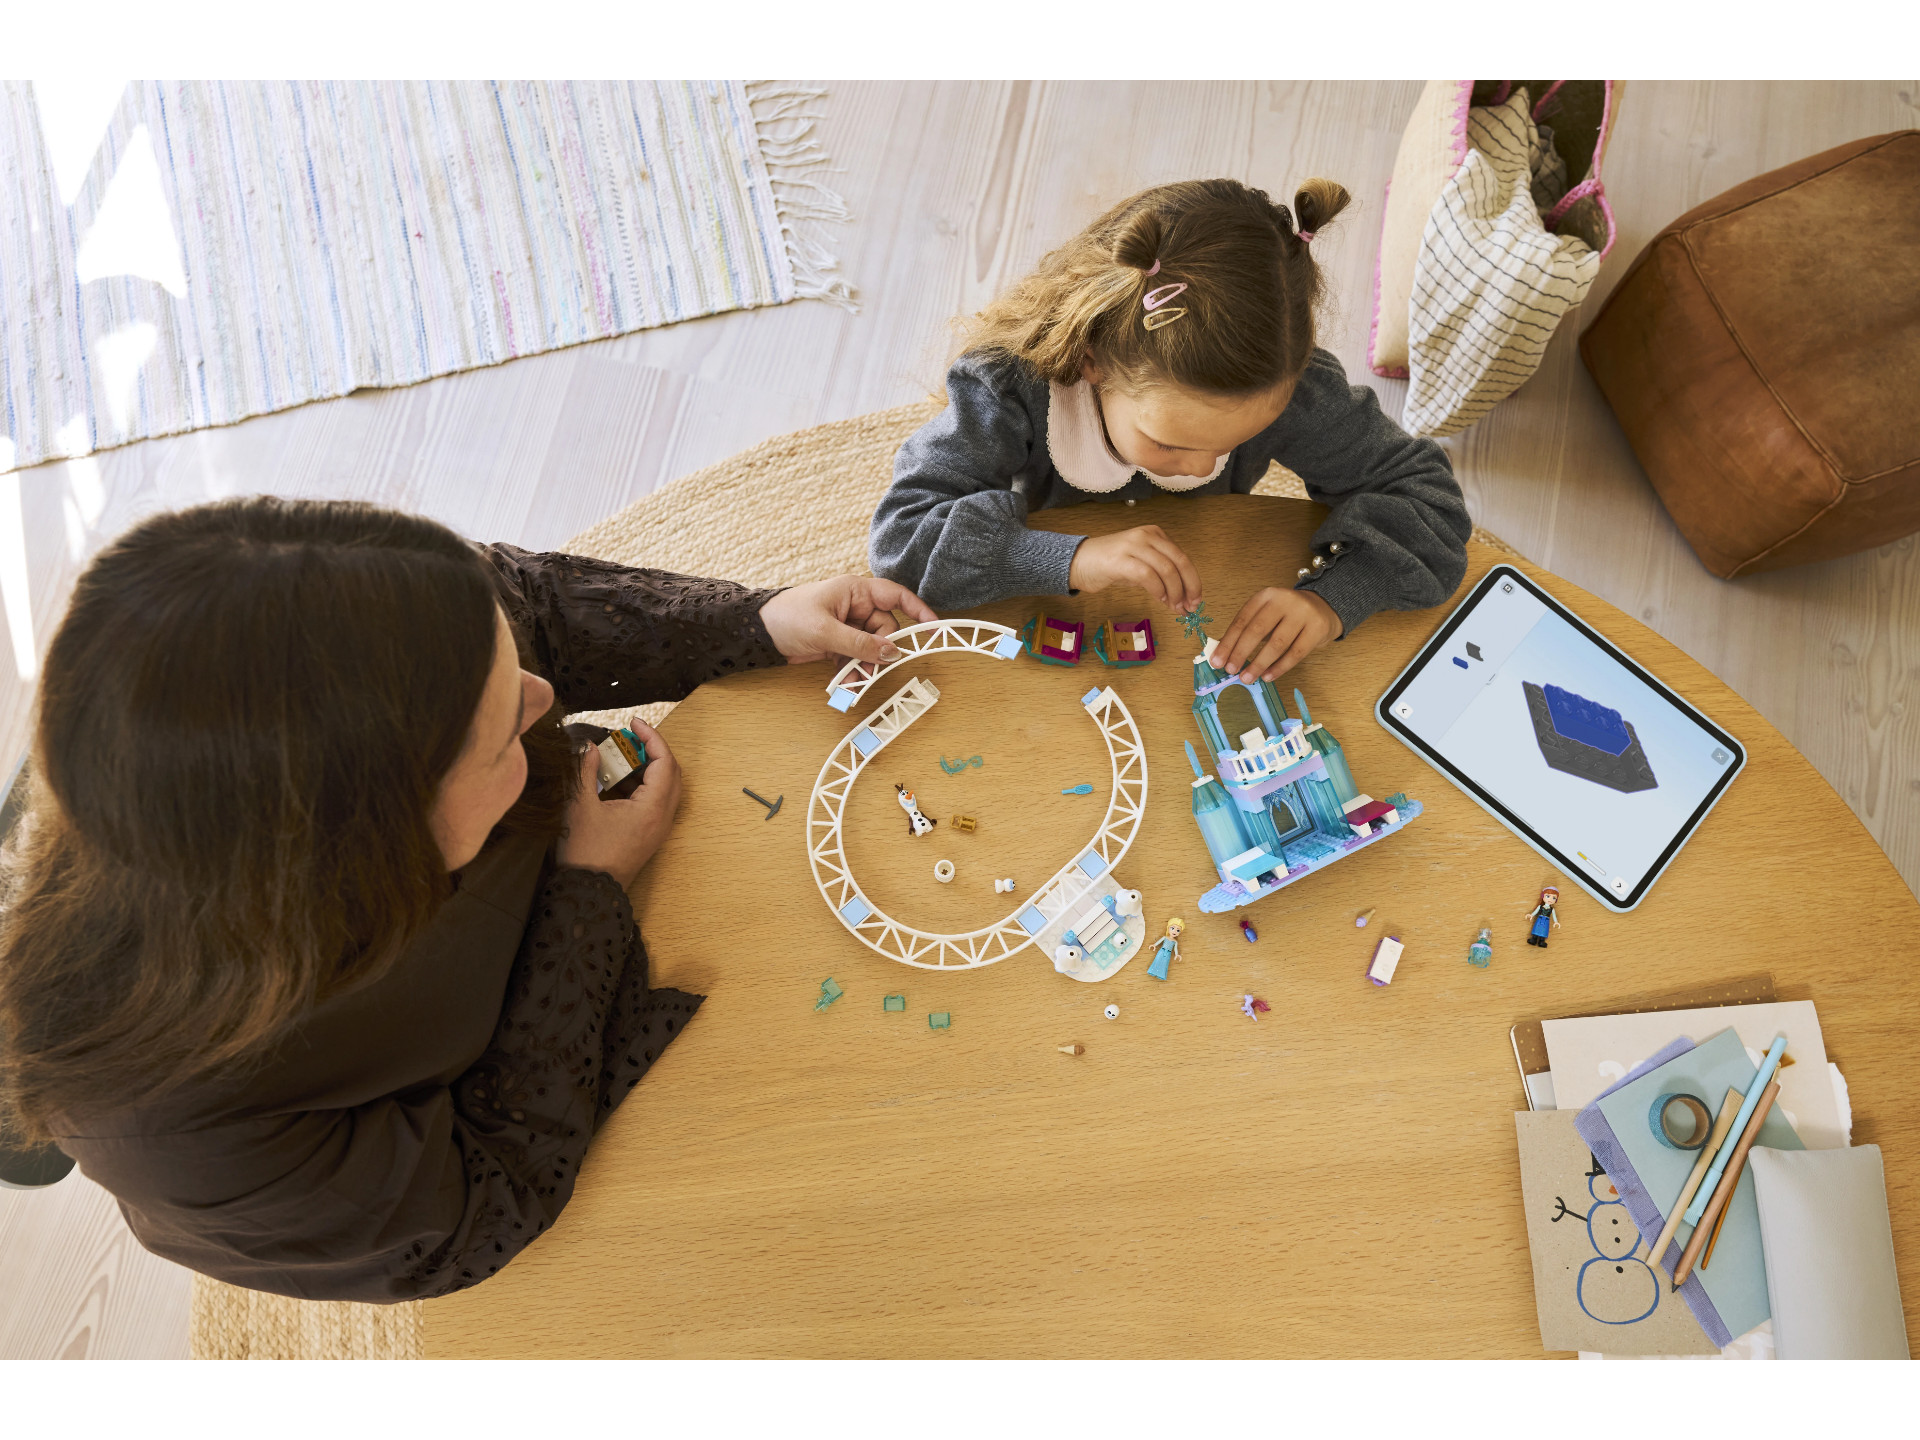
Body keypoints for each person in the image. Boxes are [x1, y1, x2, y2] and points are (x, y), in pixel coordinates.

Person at [0, 497, 934, 1303]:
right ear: (384, 851)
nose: (545, 696)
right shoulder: (187, 1136)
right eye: (500, 737)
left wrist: (757, 621)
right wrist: (587, 894)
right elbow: (479, 1207)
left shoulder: (373, 635)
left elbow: (532, 611)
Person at [869, 177, 1472, 683]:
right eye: (1170, 444)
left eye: (1232, 446)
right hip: (1044, 601)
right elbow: (902, 541)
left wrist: (1332, 599)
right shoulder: (1007, 388)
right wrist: (1074, 558)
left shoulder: (1289, 387)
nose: (1201, 467)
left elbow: (1429, 502)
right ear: (1092, 360)